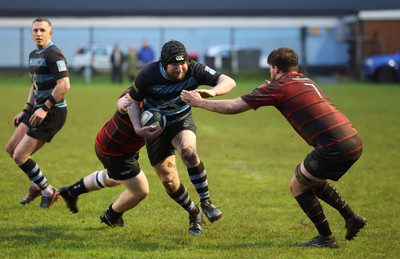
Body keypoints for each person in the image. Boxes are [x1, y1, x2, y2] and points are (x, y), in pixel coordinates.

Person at [181, 47, 367, 247]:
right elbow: (290, 94)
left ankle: (326, 239)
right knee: (310, 178)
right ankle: (351, 218)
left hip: (334, 146)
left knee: (298, 184)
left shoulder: (278, 88)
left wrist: (199, 103)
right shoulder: (305, 80)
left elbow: (234, 106)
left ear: (275, 68)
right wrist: (272, 89)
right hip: (353, 139)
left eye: (270, 68)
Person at [123, 39, 236, 235]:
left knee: (189, 152)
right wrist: (137, 128)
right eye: (175, 64)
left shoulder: (194, 69)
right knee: (169, 181)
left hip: (180, 121)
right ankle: (194, 212)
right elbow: (131, 101)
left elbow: (229, 81)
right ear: (163, 64)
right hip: (154, 128)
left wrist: (212, 92)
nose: (181, 68)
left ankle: (206, 202)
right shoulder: (148, 74)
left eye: (183, 62)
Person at [5, 17, 71, 208]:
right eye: (35, 30)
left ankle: (48, 191)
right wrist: (26, 109)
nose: (39, 34)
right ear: (31, 33)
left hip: (52, 112)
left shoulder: (54, 55)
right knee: (11, 149)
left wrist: (44, 108)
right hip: (37, 109)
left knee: (20, 156)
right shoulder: (34, 54)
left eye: (42, 30)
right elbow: (35, 85)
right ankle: (37, 185)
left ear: (50, 33)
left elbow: (64, 85)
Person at [59, 92, 149, 227]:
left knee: (115, 178)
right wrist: (121, 105)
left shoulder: (164, 92)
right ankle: (111, 216)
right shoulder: (143, 86)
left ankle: (71, 191)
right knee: (140, 191)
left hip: (117, 145)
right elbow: (124, 100)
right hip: (115, 149)